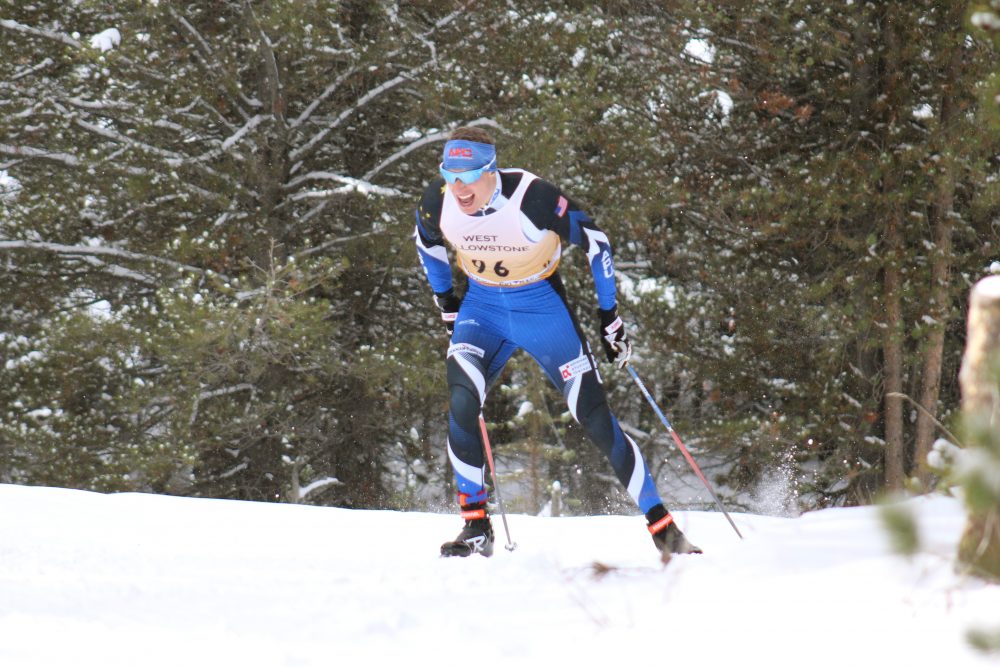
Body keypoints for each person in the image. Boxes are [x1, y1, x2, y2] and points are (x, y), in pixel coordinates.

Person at [413, 126, 701, 558]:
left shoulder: (534, 198)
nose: (458, 187)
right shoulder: (439, 198)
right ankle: (475, 526)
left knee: (595, 419)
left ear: (490, 170)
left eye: (468, 175)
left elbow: (597, 241)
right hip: (483, 310)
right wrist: (446, 303)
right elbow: (427, 241)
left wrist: (610, 316)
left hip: (542, 310)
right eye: (450, 174)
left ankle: (662, 527)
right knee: (461, 400)